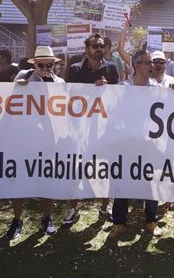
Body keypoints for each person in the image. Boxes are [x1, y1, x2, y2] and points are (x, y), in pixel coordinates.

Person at [62, 34, 120, 228]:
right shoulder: (75, 69)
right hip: (81, 128)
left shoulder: (111, 68)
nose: (99, 49)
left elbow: (118, 96)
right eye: (95, 45)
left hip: (105, 127)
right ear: (86, 47)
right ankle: (74, 207)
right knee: (78, 168)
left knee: (107, 168)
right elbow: (69, 96)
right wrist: (91, 90)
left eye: (102, 46)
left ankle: (105, 206)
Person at [5, 46, 63, 239]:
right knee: (19, 178)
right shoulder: (24, 75)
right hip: (24, 137)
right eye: (41, 64)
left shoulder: (59, 81)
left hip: (48, 138)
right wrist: (23, 85)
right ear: (35, 63)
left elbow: (63, 107)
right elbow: (9, 101)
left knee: (49, 178)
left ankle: (47, 218)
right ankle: (17, 219)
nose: (46, 67)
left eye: (49, 64)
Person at [110, 49, 162, 237]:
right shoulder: (123, 87)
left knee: (151, 182)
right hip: (127, 143)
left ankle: (151, 221)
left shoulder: (158, 87)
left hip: (150, 143)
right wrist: (99, 90)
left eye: (152, 63)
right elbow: (111, 109)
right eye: (148, 62)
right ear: (137, 65)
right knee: (122, 181)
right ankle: (119, 222)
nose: (152, 66)